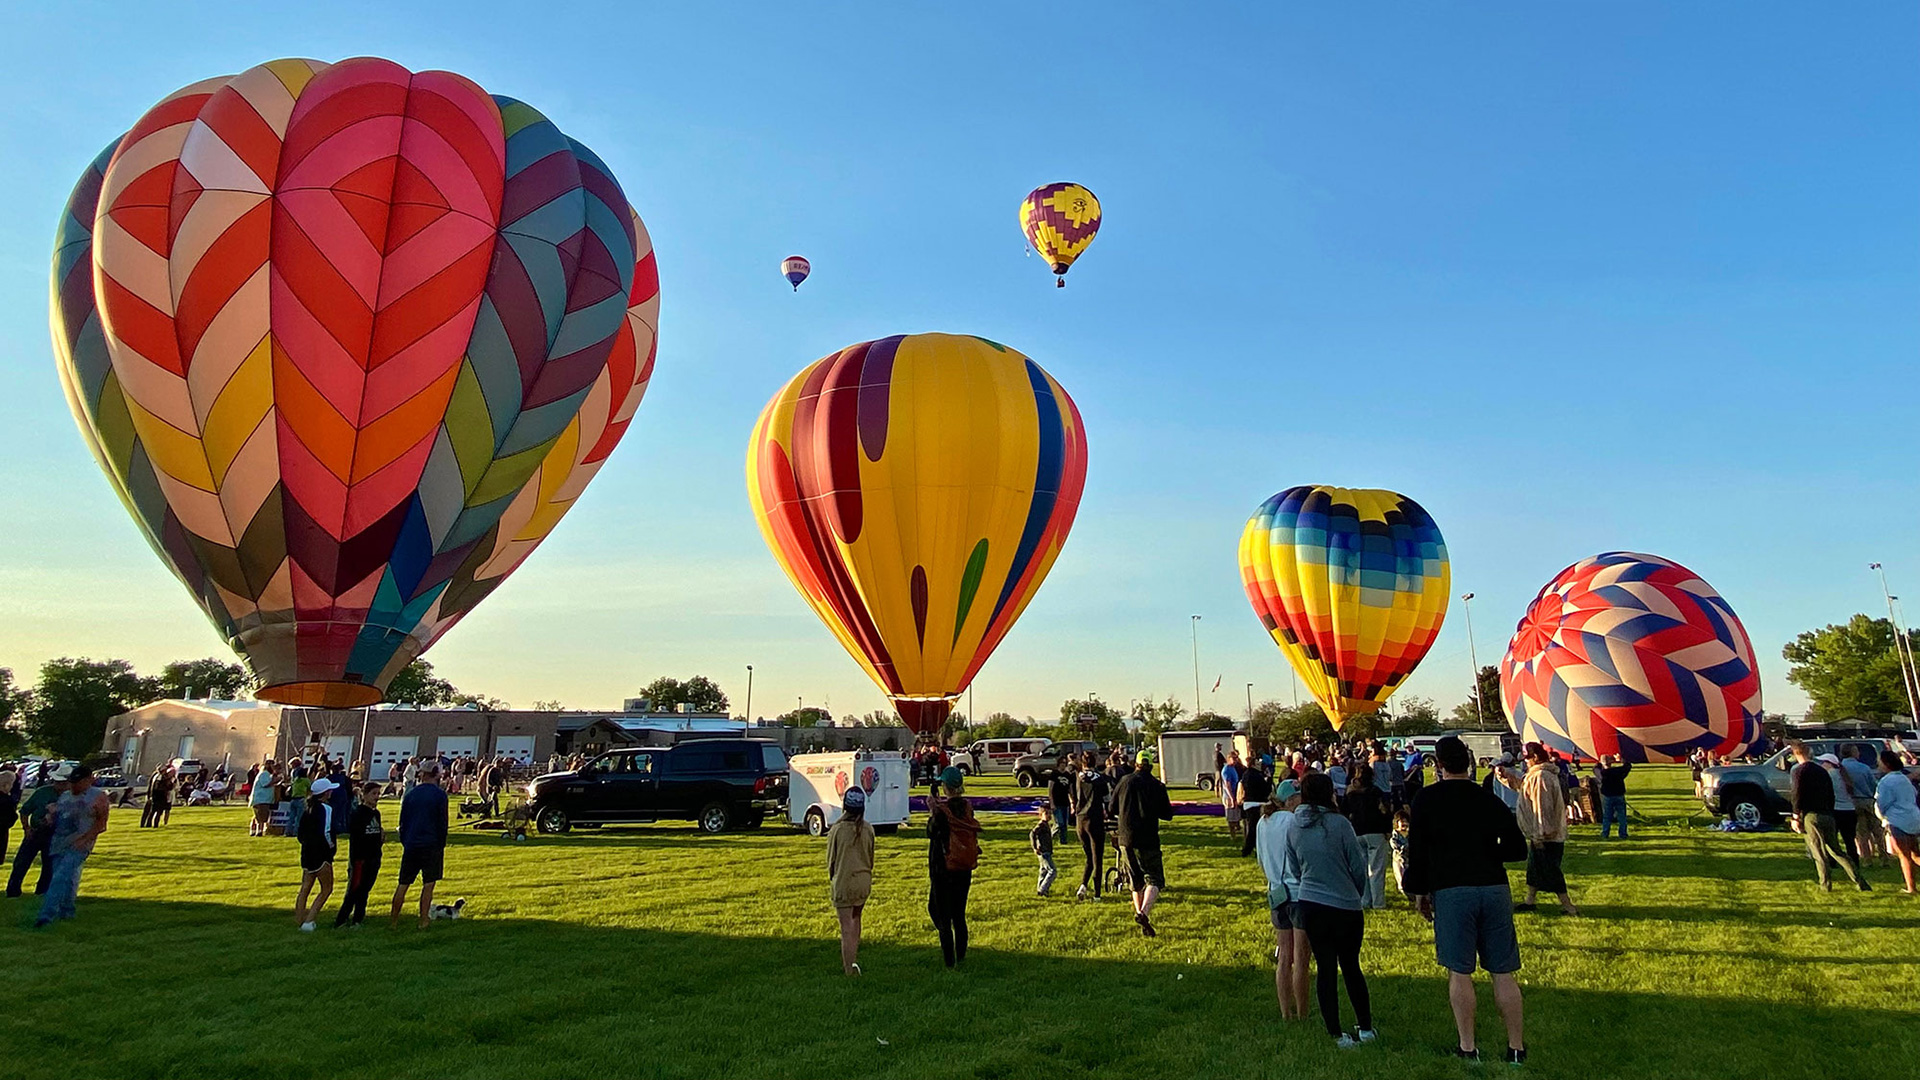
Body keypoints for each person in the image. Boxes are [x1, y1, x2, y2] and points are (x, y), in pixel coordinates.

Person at [1404, 736, 1530, 1064]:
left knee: (1460, 972)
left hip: (1451, 890)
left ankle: (1468, 1047)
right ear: (1469, 763)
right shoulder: (1486, 798)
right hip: (1493, 887)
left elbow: (1416, 852)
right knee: (1503, 972)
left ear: (1439, 766)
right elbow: (1518, 848)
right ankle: (1516, 1048)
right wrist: (1488, 852)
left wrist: (1418, 890)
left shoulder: (1426, 800)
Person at [1280, 772, 1374, 1046]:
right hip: (1344, 903)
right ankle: (1365, 1027)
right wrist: (1356, 892)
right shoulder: (1339, 824)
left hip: (1311, 902)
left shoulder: (1294, 826)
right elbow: (1357, 866)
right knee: (1351, 966)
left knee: (1325, 968)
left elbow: (1294, 867)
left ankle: (1335, 1031)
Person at [1255, 779, 1308, 1019]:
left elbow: (1260, 860)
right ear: (1290, 801)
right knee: (1301, 957)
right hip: (1298, 892)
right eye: (1299, 798)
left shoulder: (1262, 822)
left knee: (1284, 956)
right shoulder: (1292, 820)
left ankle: (1285, 1012)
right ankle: (1303, 1012)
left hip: (1275, 891)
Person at [37, 764, 111, 927]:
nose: (73, 786)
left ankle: (46, 916)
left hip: (80, 845)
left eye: (77, 782)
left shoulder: (98, 798)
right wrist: (51, 816)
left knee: (59, 877)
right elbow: (61, 817)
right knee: (68, 878)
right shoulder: (65, 796)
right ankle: (67, 911)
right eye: (71, 782)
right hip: (59, 842)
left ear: (88, 780)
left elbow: (101, 824)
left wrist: (85, 840)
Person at [1789, 742, 1867, 891]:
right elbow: (1830, 794)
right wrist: (1830, 810)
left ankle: (1825, 884)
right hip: (1828, 814)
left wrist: (1795, 816)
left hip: (1811, 815)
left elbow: (1797, 794)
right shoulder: (1822, 771)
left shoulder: (1800, 771)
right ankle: (1859, 880)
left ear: (1796, 754)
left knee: (1818, 852)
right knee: (1836, 850)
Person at [1113, 751, 1174, 937]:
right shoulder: (1157, 785)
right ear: (1150, 766)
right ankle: (1143, 913)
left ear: (1136, 764)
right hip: (1148, 838)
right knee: (1155, 878)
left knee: (1135, 881)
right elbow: (1167, 814)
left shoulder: (1124, 781)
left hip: (1126, 837)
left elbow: (1111, 808)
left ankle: (1140, 918)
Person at [1514, 743, 1578, 915]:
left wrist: (1541, 834)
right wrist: (1506, 778)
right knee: (1534, 869)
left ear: (1535, 758)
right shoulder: (1538, 775)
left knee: (1551, 871)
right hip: (1542, 833)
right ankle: (1530, 901)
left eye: (1527, 759)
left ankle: (1569, 907)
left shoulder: (1541, 776)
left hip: (1546, 834)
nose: (1525, 762)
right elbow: (1524, 792)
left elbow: (1543, 807)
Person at [926, 767, 979, 968]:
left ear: (945, 787)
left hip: (943, 868)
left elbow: (931, 832)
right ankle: (962, 956)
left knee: (940, 913)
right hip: (964, 867)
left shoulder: (942, 812)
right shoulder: (967, 808)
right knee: (959, 914)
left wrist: (933, 810)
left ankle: (949, 961)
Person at [390, 761, 450, 929]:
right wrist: (441, 844)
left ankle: (394, 921)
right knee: (428, 885)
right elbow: (442, 823)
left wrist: (406, 840)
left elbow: (403, 822)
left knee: (403, 884)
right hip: (431, 845)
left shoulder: (410, 794)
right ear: (436, 773)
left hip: (411, 844)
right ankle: (423, 920)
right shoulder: (440, 795)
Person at [826, 786, 875, 975]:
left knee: (846, 926)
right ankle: (854, 959)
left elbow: (832, 860)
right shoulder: (869, 829)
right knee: (856, 919)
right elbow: (871, 858)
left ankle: (849, 967)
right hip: (863, 880)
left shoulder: (837, 830)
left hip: (845, 881)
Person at [7, 769, 68, 897]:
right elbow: (25, 811)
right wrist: (27, 829)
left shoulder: (71, 797)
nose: (59, 785)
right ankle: (13, 890)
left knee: (49, 865)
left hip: (55, 834)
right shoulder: (42, 792)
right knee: (21, 862)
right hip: (36, 831)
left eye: (63, 783)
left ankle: (42, 891)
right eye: (57, 782)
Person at [333, 781, 386, 928]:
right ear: (364, 795)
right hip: (360, 859)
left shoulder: (376, 813)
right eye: (373, 794)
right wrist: (357, 859)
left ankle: (358, 919)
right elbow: (356, 838)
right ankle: (342, 919)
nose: (377, 797)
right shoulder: (359, 813)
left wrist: (380, 836)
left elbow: (375, 834)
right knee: (354, 890)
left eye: (378, 794)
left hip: (374, 857)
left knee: (365, 890)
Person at [1343, 764, 1393, 909]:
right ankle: (1378, 902)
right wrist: (1388, 829)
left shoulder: (1350, 792)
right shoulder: (1375, 791)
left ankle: (1365, 900)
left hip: (1357, 831)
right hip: (1375, 831)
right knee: (1376, 869)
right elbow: (1384, 810)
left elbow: (1344, 811)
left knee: (1363, 869)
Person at [294, 777, 339, 931]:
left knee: (305, 888)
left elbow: (300, 834)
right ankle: (309, 920)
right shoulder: (326, 809)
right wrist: (331, 847)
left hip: (307, 853)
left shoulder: (307, 809)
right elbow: (326, 830)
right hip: (321, 853)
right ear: (325, 793)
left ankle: (300, 920)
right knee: (327, 888)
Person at [1872, 750, 1919, 895]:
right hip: (1914, 817)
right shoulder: (1904, 778)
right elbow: (1914, 794)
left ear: (1886, 764)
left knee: (1904, 856)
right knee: (1915, 854)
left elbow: (1881, 803)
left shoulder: (1886, 782)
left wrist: (1881, 818)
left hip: (1897, 821)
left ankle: (1911, 888)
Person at [1071, 754, 1111, 901]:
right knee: (1097, 859)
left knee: (1088, 856)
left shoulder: (1078, 777)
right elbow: (1107, 800)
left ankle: (1083, 885)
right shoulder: (1100, 779)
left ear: (1083, 763)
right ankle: (1097, 895)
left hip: (1080, 820)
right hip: (1094, 820)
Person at [1839, 746, 1885, 867]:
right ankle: (1884, 858)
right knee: (1877, 831)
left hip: (1852, 802)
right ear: (1853, 753)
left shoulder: (1840, 768)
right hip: (1867, 800)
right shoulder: (1863, 767)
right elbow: (1872, 784)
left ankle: (1867, 859)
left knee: (1861, 833)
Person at [1820, 752, 1862, 865]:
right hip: (1850, 810)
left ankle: (1833, 861)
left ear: (1829, 764)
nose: (1821, 765)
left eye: (1823, 762)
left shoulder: (1829, 775)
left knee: (1832, 839)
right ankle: (1854, 861)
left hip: (1836, 810)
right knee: (1849, 840)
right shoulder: (1843, 774)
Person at [1238, 756, 1273, 857]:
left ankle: (1249, 849)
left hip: (1248, 803)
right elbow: (1265, 790)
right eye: (1258, 763)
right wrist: (1269, 779)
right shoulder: (1256, 776)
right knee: (1254, 829)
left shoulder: (1246, 774)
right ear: (1253, 764)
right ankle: (1247, 850)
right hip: (1256, 803)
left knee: (1252, 828)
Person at [1595, 756, 1632, 840]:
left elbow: (1595, 768)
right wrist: (1621, 760)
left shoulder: (1601, 773)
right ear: (1611, 762)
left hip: (1607, 797)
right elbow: (1627, 766)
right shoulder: (1617, 771)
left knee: (1607, 816)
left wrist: (1599, 762)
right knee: (1622, 816)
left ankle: (1605, 833)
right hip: (1619, 795)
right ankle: (1623, 834)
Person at [1029, 802, 1057, 896]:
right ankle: (1043, 889)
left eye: (1050, 814)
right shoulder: (1040, 825)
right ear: (1040, 815)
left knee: (1043, 871)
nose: (1049, 816)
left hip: (1047, 851)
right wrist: (1035, 847)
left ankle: (1040, 888)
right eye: (1046, 814)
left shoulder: (1046, 825)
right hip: (1043, 852)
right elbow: (1032, 834)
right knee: (1052, 871)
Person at [249, 761, 279, 836]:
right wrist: (276, 780)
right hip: (261, 799)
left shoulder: (267, 774)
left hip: (263, 799)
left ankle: (253, 830)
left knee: (258, 816)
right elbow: (265, 784)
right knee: (261, 816)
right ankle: (259, 831)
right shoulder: (264, 774)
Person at [1220, 752, 1244, 838]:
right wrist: (1232, 798)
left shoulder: (1233, 768)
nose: (1235, 760)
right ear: (1228, 759)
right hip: (1229, 796)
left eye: (1236, 758)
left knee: (1236, 815)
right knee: (1231, 816)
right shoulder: (1226, 770)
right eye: (1233, 758)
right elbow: (1227, 785)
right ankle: (1232, 835)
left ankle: (1238, 829)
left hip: (1235, 794)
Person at [1388, 807, 1412, 895]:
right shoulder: (1395, 835)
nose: (1404, 824)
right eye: (1401, 821)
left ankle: (1411, 893)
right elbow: (1394, 844)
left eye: (1406, 821)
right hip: (1399, 859)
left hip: (1409, 859)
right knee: (1400, 876)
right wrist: (1402, 848)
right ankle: (1403, 890)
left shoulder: (1410, 834)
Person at [1047, 767, 1073, 843]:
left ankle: (1063, 840)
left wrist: (1072, 802)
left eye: (1064, 764)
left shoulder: (1068, 775)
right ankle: (1049, 836)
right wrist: (1052, 803)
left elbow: (1070, 790)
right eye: (1061, 764)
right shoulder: (1054, 774)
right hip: (1056, 802)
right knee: (1059, 823)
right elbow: (1050, 789)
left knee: (1065, 824)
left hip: (1065, 802)